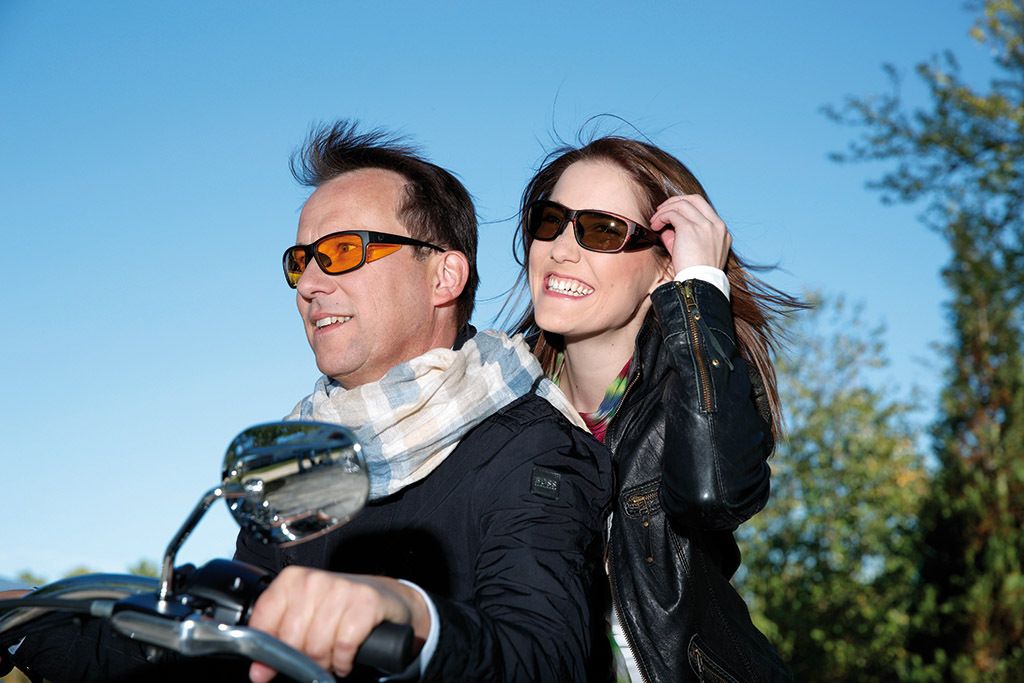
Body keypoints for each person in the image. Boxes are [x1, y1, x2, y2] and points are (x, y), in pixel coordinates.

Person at [5, 122, 613, 682]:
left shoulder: (532, 445)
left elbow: (545, 656)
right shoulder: (300, 457)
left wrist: (411, 617)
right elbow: (216, 655)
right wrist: (28, 621)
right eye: (301, 262)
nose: (310, 284)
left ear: (443, 277)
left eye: (344, 251)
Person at [511, 135, 799, 682]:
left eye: (602, 230)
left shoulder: (703, 392)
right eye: (551, 220)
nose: (561, 249)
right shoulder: (500, 402)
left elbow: (713, 495)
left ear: (665, 268)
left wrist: (701, 288)